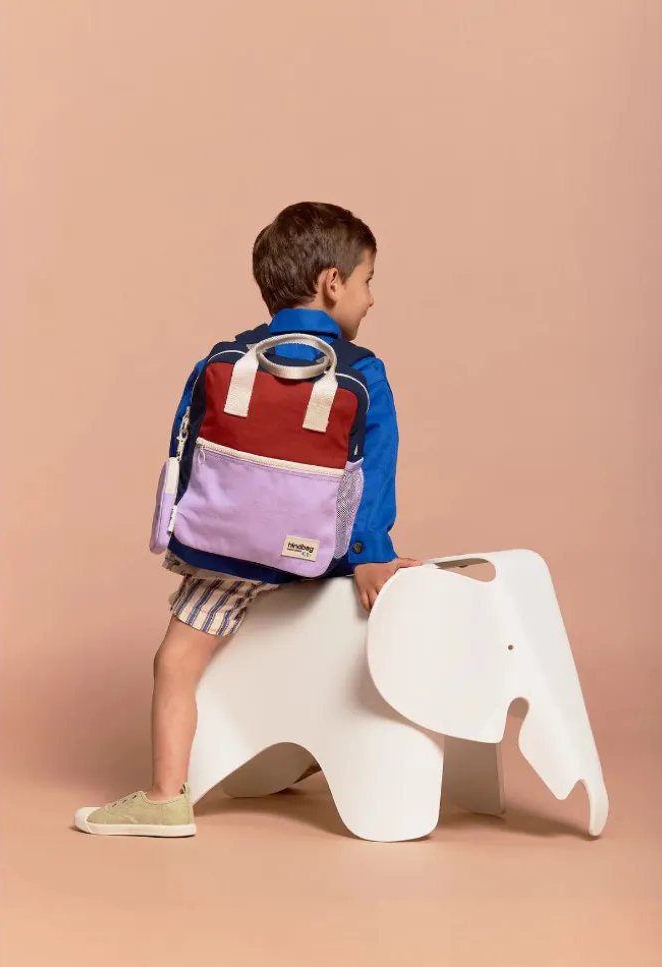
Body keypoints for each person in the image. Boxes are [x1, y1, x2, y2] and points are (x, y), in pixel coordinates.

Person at [73, 202, 419, 837]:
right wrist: (371, 554)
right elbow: (375, 470)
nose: (371, 299)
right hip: (323, 559)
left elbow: (187, 454)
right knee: (348, 631)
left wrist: (181, 532)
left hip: (228, 557)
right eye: (368, 281)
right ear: (332, 282)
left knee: (177, 662)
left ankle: (166, 798)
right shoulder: (362, 371)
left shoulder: (227, 359)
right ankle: (336, 747)